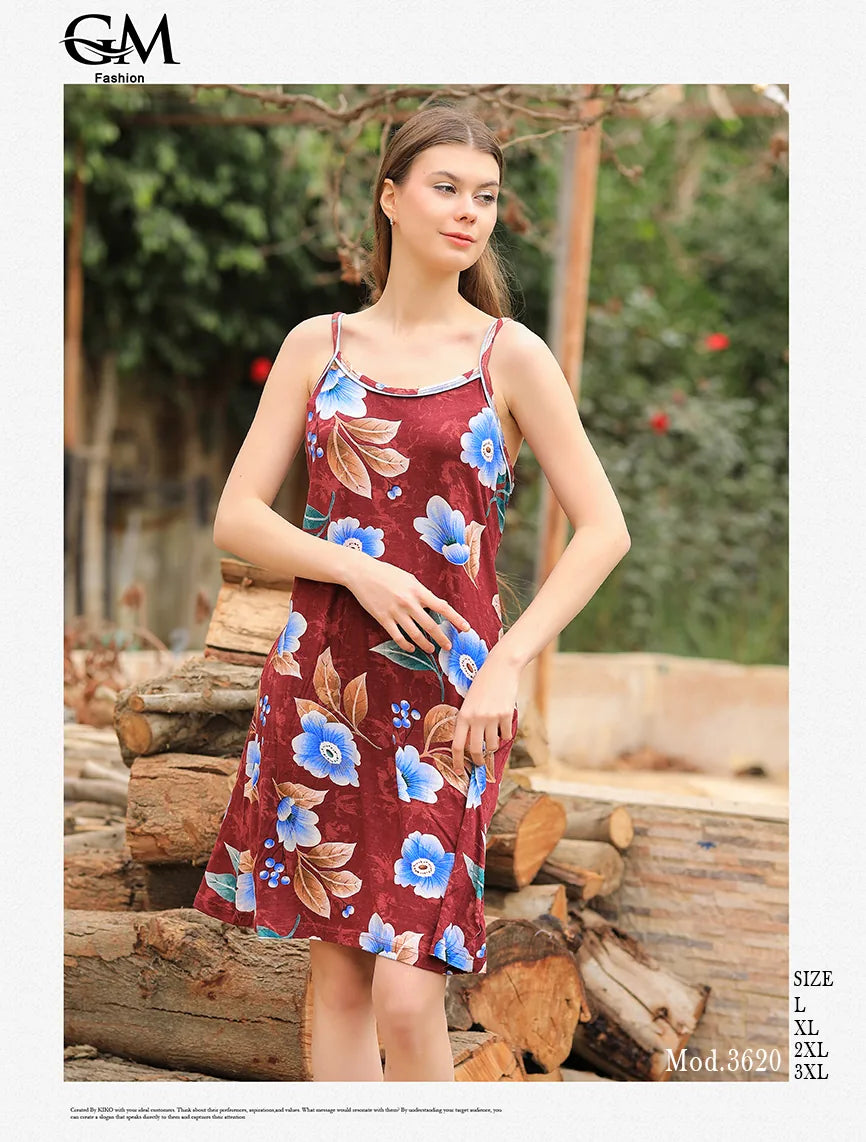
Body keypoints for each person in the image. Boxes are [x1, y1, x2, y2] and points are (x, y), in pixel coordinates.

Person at [192, 103, 631, 1082]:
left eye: (485, 195)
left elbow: (605, 527)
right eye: (445, 188)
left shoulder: (506, 355)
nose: (469, 210)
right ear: (389, 198)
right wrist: (355, 564)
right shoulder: (318, 344)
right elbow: (235, 516)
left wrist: (508, 658)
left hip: (451, 701)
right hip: (320, 693)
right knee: (341, 982)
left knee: (404, 986)